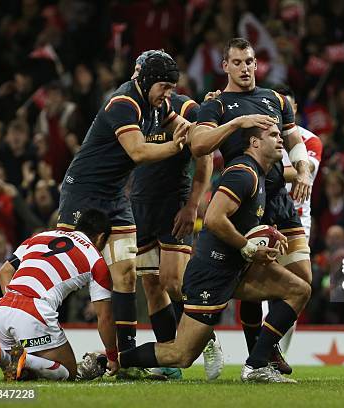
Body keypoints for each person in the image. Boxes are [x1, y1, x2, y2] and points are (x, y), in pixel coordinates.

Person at [119, 124, 311, 383]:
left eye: (280, 134)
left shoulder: (262, 174)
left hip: (237, 267)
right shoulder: (243, 174)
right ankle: (112, 360)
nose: (281, 141)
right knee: (180, 355)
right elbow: (213, 218)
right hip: (213, 270)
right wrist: (247, 246)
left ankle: (257, 364)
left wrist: (268, 238)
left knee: (299, 289)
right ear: (254, 143)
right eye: (274, 136)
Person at [56, 52, 190, 363]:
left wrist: (214, 126)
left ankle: (123, 357)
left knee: (127, 274)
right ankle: (29, 329)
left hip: (115, 198)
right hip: (83, 195)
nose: (169, 93)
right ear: (145, 81)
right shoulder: (123, 103)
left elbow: (189, 127)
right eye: (164, 86)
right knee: (63, 272)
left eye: (172, 87)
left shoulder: (158, 106)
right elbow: (138, 151)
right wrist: (177, 145)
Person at [190, 37, 313, 374]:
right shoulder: (216, 105)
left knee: (304, 278)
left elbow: (294, 139)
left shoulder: (275, 99)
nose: (245, 68)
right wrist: (235, 124)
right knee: (255, 285)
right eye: (238, 62)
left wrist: (302, 170)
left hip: (279, 200)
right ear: (225, 66)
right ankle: (257, 359)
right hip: (246, 201)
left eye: (250, 61)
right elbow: (199, 145)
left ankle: (265, 349)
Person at [129, 50, 220, 380]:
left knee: (174, 281)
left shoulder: (184, 107)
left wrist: (193, 205)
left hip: (175, 202)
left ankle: (207, 338)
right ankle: (169, 359)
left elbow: (205, 156)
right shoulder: (135, 109)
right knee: (152, 285)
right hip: (141, 203)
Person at [0, 209, 118, 381]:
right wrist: (112, 356)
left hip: (4, 309)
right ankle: (24, 358)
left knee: (28, 375)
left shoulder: (40, 236)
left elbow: (4, 273)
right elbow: (105, 317)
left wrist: (16, 308)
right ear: (101, 237)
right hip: (34, 310)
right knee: (69, 371)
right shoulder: (96, 260)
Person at [271, 83, 323, 353]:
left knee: (297, 288)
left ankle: (279, 353)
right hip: (265, 219)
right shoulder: (261, 135)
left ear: (294, 110)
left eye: (287, 108)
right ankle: (264, 351)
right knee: (264, 288)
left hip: (298, 223)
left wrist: (265, 167)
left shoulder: (310, 139)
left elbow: (307, 172)